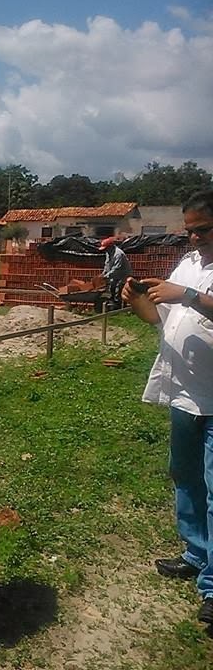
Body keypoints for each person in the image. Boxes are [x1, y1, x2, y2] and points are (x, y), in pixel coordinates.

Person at [122, 190, 213, 627]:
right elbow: (158, 319)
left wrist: (190, 295)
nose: (194, 238)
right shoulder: (190, 264)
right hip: (185, 395)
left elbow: (188, 301)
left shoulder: (194, 278)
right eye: (189, 230)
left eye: (203, 230)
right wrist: (137, 297)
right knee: (188, 479)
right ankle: (197, 554)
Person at [100, 236, 131, 309]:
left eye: (106, 248)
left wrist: (107, 275)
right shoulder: (108, 253)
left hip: (123, 274)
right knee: (112, 287)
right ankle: (113, 303)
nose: (105, 250)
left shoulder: (118, 254)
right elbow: (107, 264)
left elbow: (117, 268)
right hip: (115, 274)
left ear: (111, 247)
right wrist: (103, 273)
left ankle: (119, 307)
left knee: (118, 289)